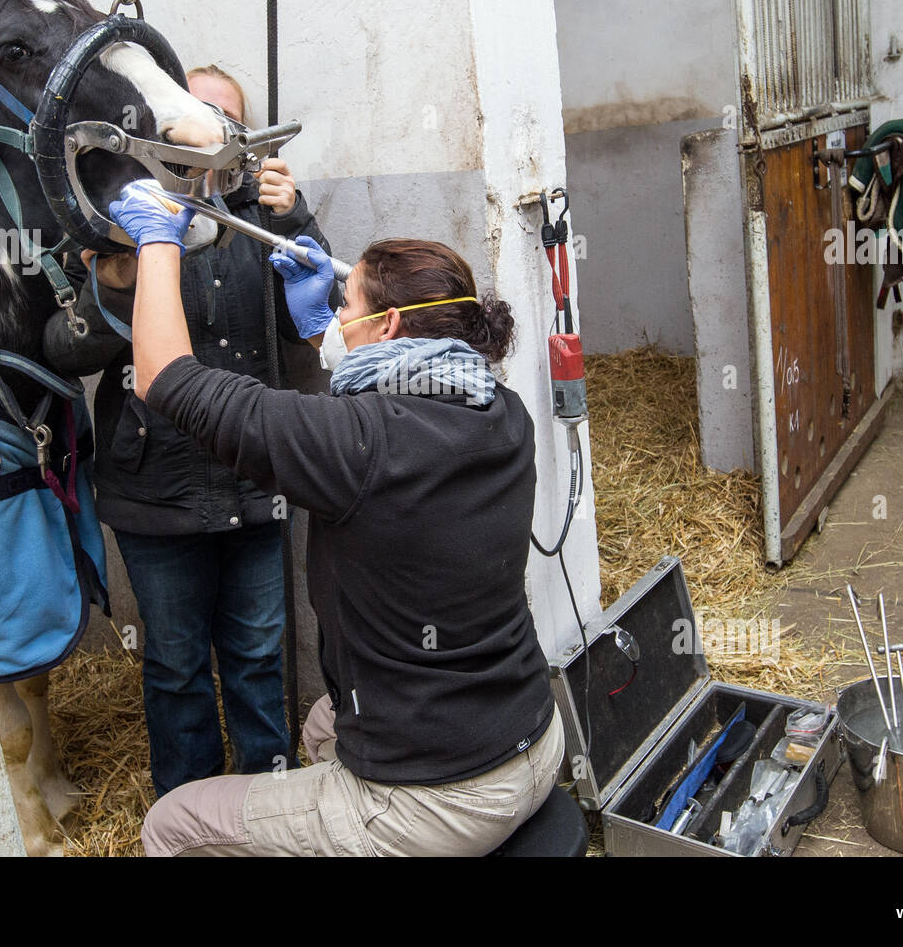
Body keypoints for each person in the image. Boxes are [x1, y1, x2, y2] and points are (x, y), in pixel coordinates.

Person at [107, 181, 564, 856]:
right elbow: (396, 398)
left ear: (387, 328)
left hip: (437, 801)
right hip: (532, 739)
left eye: (344, 305)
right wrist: (327, 331)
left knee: (173, 824)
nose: (335, 316)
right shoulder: (503, 411)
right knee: (323, 728)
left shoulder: (355, 443)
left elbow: (163, 377)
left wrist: (155, 245)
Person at [42, 65, 329, 797]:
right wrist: (114, 281)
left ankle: (269, 804)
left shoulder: (265, 215)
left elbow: (315, 335)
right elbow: (68, 349)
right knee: (173, 666)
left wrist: (295, 222)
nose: (206, 129)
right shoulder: (121, 216)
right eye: (190, 114)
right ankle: (188, 814)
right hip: (155, 491)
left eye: (224, 118)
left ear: (243, 136)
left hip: (253, 478)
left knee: (262, 656)